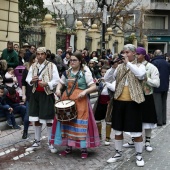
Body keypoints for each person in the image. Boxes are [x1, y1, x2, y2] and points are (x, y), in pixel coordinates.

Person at [51, 52, 100, 159]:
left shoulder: (85, 72)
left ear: (80, 61)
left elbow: (93, 87)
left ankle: (83, 148)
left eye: (74, 60)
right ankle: (68, 147)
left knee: (79, 124)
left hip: (80, 101)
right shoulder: (67, 72)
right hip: (67, 99)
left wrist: (85, 91)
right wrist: (59, 89)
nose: (72, 62)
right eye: (71, 60)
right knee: (67, 123)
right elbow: (61, 83)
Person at [104, 44, 146, 167]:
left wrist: (128, 63)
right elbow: (108, 78)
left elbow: (140, 75)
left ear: (134, 53)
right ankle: (118, 152)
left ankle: (139, 154)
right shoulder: (120, 67)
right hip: (119, 101)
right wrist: (112, 67)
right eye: (124, 52)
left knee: (136, 131)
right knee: (117, 129)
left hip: (134, 102)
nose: (125, 55)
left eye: (127, 52)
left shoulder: (140, 66)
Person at [123, 47, 160, 152]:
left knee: (148, 120)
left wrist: (146, 79)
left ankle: (147, 141)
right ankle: (133, 140)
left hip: (146, 96)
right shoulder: (131, 66)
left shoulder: (151, 67)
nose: (136, 56)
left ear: (143, 55)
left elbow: (157, 83)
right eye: (135, 54)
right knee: (134, 119)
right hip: (133, 96)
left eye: (138, 54)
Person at [25, 47, 60, 152]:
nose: (40, 56)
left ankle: (50, 142)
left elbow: (57, 79)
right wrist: (31, 80)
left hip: (47, 94)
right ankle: (37, 141)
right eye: (38, 54)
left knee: (49, 118)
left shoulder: (51, 65)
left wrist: (47, 83)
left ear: (45, 55)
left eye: (42, 54)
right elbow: (27, 78)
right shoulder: (33, 66)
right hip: (35, 94)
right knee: (36, 118)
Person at [94, 65, 116, 146]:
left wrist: (106, 81)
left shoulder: (113, 80)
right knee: (97, 119)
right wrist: (95, 83)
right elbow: (96, 89)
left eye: (105, 72)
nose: (103, 74)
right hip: (100, 101)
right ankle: (99, 135)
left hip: (109, 103)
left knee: (108, 120)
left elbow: (114, 89)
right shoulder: (101, 81)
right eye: (102, 72)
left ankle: (107, 137)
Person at [151, 50, 170, 126]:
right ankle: (164, 120)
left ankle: (159, 121)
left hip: (157, 86)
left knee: (157, 104)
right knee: (163, 103)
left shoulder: (154, 63)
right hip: (165, 85)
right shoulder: (167, 63)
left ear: (155, 54)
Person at [21, 54, 37, 139]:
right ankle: (25, 131)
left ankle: (37, 135)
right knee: (27, 115)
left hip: (39, 95)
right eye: (35, 59)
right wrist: (23, 95)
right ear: (32, 60)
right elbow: (23, 83)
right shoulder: (27, 70)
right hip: (30, 95)